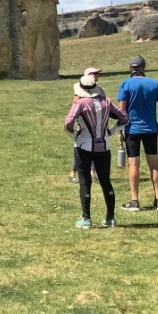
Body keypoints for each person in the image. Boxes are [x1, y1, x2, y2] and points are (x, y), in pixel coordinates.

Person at [64, 74, 128, 228]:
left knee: (85, 181)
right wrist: (111, 132)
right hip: (104, 145)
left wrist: (74, 135)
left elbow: (68, 123)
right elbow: (124, 118)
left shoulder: (80, 103)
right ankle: (110, 218)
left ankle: (86, 219)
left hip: (84, 145)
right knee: (106, 181)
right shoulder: (106, 101)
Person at [116, 56, 158, 211]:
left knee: (133, 164)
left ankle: (135, 201)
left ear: (130, 69)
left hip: (132, 130)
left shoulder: (125, 84)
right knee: (154, 164)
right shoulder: (154, 84)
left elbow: (121, 111)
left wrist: (119, 131)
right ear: (144, 68)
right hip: (150, 129)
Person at [68, 68, 103, 184]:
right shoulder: (79, 90)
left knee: (95, 148)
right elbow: (75, 106)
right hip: (83, 124)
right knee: (79, 148)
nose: (97, 75)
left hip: (96, 123)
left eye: (98, 73)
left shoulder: (99, 90)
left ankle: (93, 173)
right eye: (95, 73)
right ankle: (73, 173)